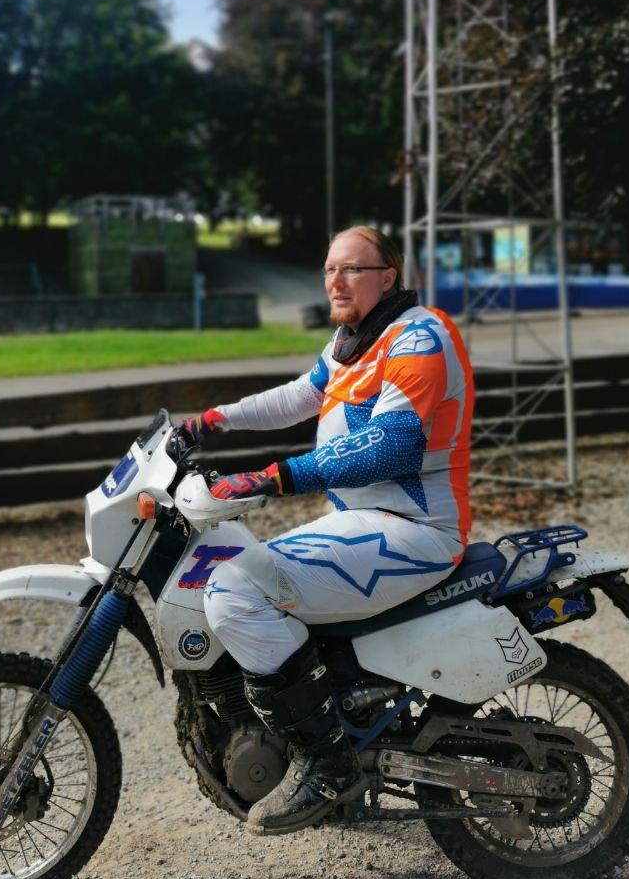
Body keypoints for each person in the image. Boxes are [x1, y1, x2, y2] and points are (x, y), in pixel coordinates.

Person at [181, 225, 474, 837]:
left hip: (413, 528)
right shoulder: (354, 342)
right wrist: (214, 421)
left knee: (233, 590)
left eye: (351, 270)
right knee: (240, 571)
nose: (334, 282)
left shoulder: (419, 335)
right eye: (328, 269)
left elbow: (390, 447)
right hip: (361, 522)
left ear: (387, 277)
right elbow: (298, 397)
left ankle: (330, 765)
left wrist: (272, 477)